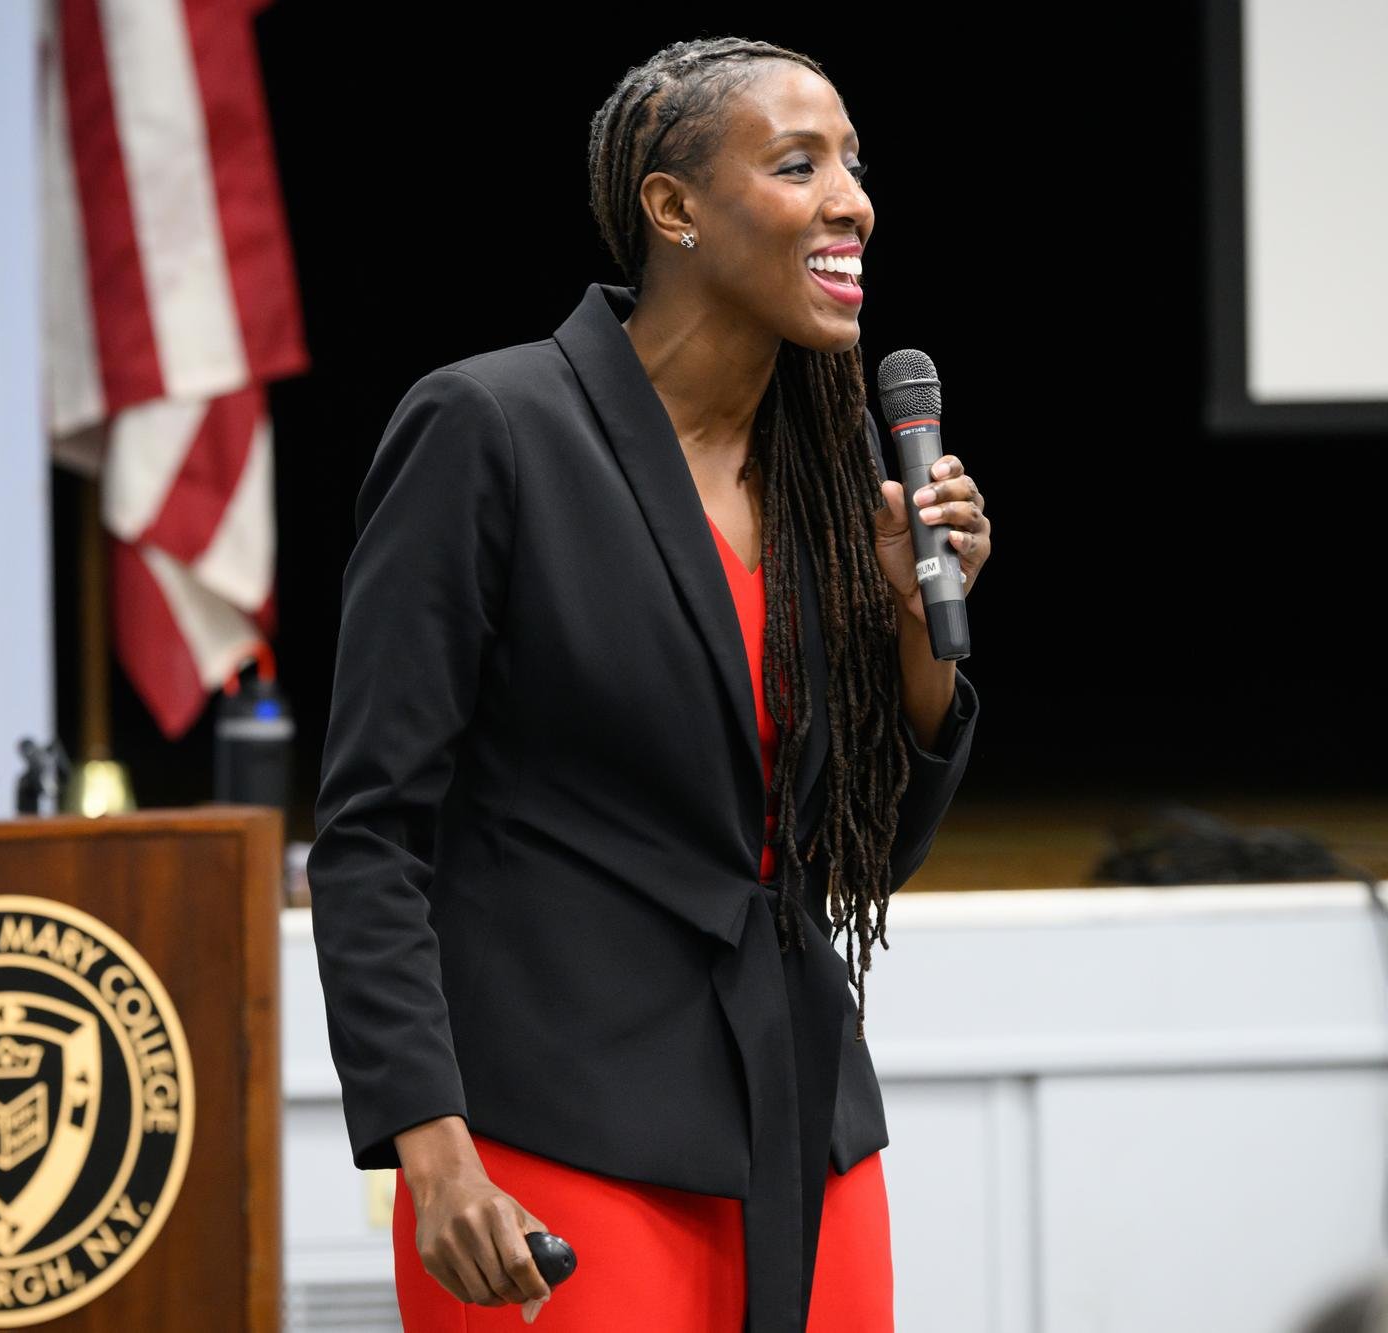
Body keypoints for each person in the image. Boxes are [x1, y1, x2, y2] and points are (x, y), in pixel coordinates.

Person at [307, 35, 990, 1332]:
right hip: (550, 1140)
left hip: (805, 1131)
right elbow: (370, 835)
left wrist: (915, 621)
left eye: (856, 163)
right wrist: (430, 1145)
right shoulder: (491, 429)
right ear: (671, 208)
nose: (853, 198)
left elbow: (860, 853)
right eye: (800, 165)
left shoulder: (836, 478)